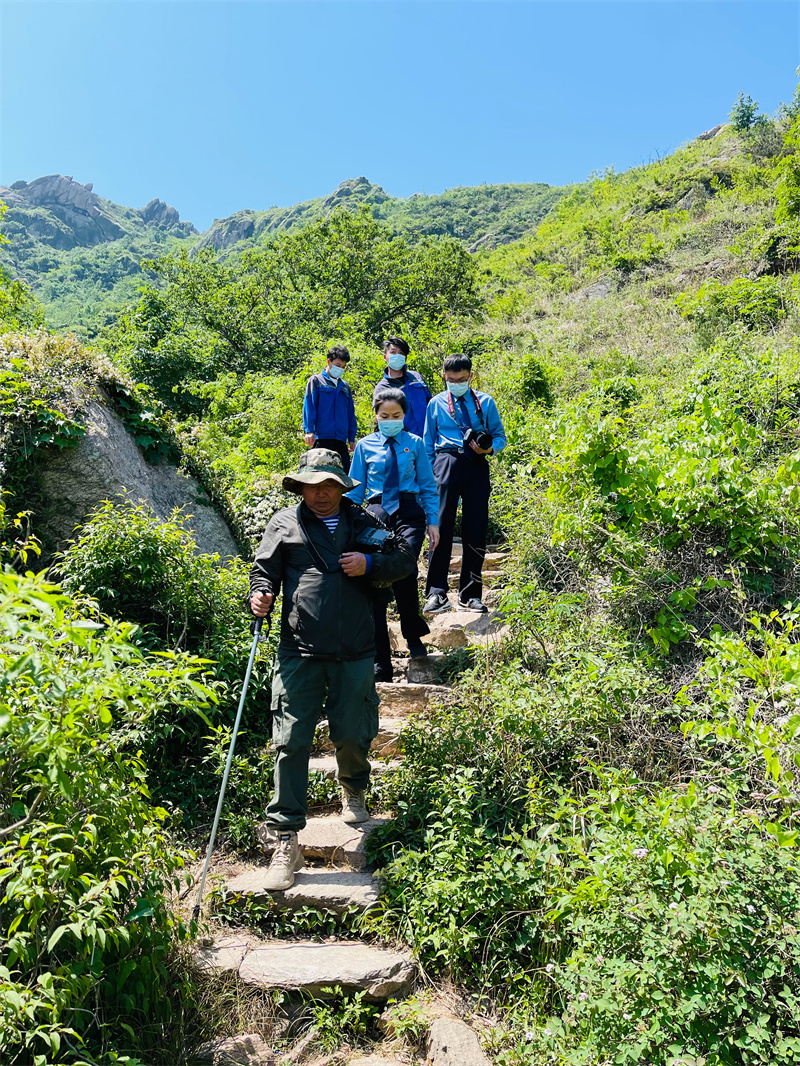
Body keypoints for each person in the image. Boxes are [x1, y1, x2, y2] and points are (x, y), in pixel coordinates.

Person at [248, 448, 414, 890]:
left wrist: (370, 563)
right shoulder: (284, 523)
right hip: (297, 650)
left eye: (329, 486)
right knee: (290, 738)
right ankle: (286, 836)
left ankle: (354, 788)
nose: (320, 494)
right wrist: (260, 595)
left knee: (352, 729)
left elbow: (403, 561)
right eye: (311, 486)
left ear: (342, 487)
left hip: (356, 648)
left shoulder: (363, 523)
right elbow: (263, 572)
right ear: (299, 485)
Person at [346, 388, 440, 681]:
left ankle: (413, 637)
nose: (390, 420)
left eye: (396, 415)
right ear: (375, 416)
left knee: (405, 569)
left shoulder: (415, 443)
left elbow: (427, 484)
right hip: (375, 515)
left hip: (409, 512)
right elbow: (355, 491)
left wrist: (433, 521)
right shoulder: (364, 446)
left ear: (404, 415)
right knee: (375, 583)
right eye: (384, 416)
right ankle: (380, 661)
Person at [423, 354, 506, 615]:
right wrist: (426, 481)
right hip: (445, 462)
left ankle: (470, 594)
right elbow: (427, 445)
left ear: (471, 376)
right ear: (444, 377)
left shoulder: (485, 402)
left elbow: (501, 438)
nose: (455, 383)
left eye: (460, 379)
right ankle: (436, 592)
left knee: (475, 528)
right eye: (450, 380)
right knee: (439, 527)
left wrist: (489, 449)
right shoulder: (436, 404)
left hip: (477, 464)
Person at [302, 345, 358, 473]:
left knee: (344, 477)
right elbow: (309, 406)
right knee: (320, 476)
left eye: (343, 367)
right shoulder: (316, 381)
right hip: (321, 438)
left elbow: (350, 413)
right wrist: (309, 430)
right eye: (338, 365)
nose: (340, 369)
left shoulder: (345, 387)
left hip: (340, 440)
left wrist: (351, 437)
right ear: (329, 362)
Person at [372, 336, 432, 439]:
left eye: (401, 353)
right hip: (403, 442)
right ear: (385, 357)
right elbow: (382, 421)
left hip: (428, 439)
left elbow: (431, 405)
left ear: (405, 358)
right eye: (393, 352)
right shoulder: (382, 388)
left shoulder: (416, 378)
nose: (397, 356)